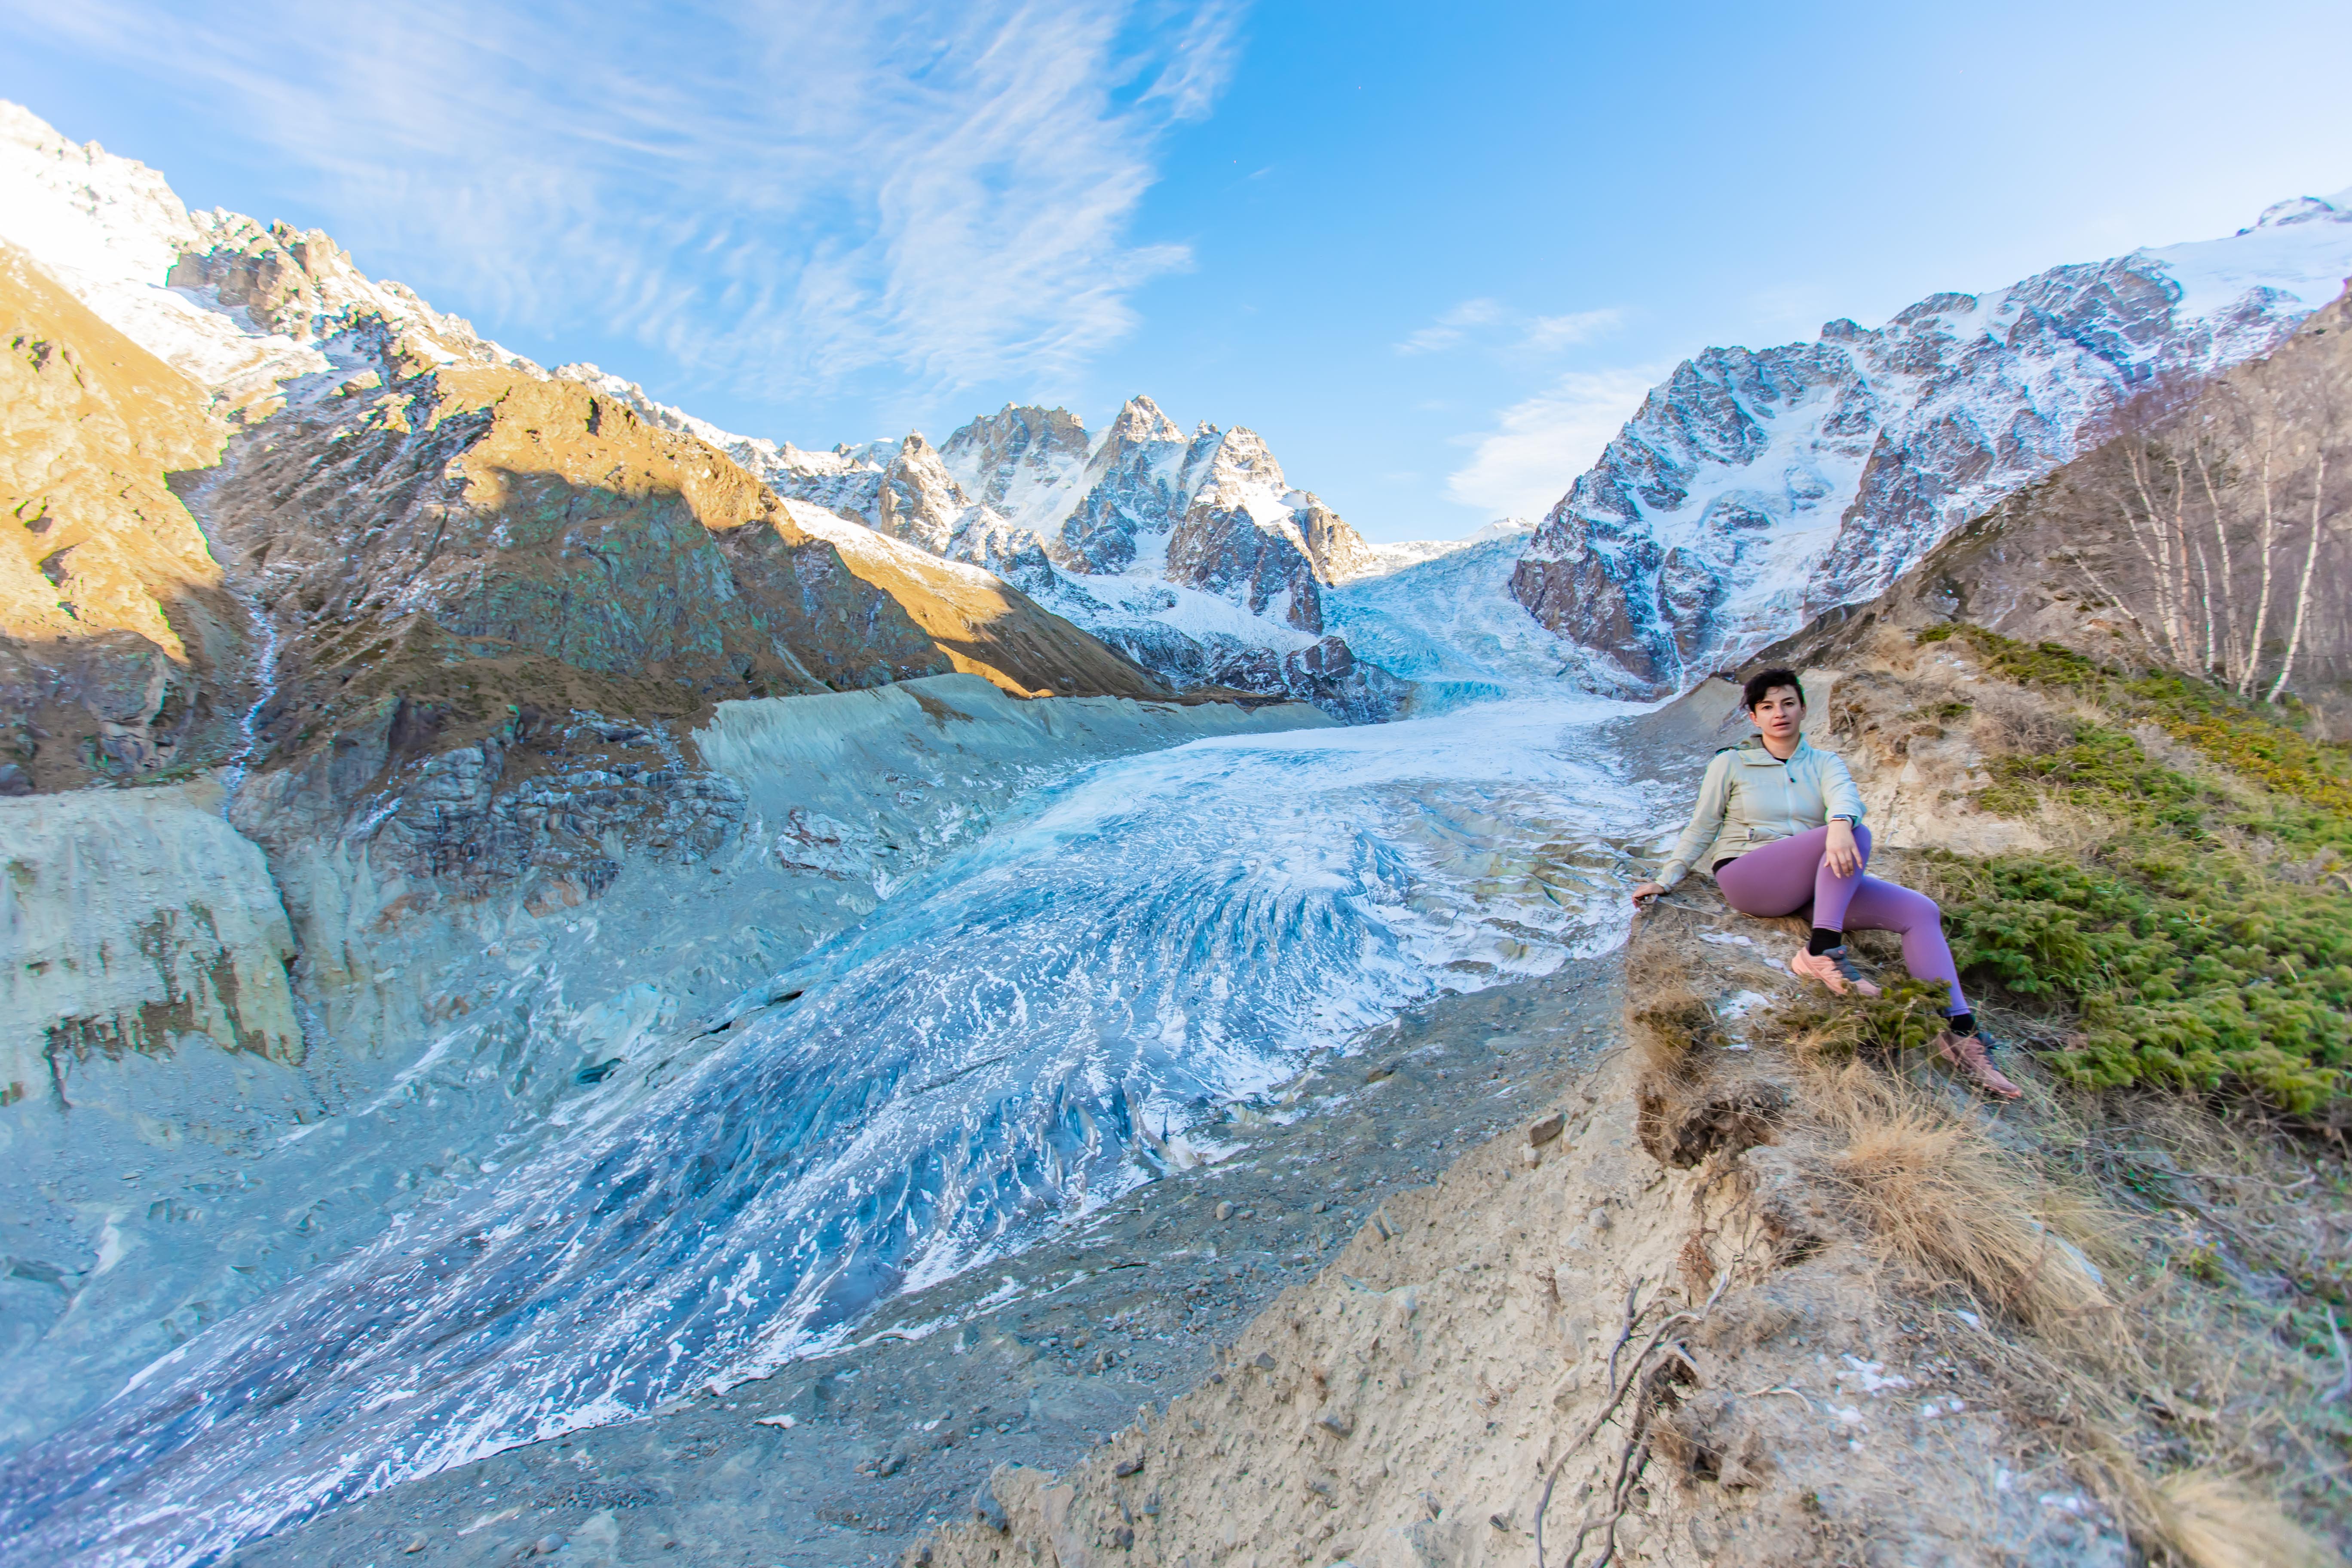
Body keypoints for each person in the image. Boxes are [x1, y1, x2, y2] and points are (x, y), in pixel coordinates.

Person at [1629, 668, 2020, 1099]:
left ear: (1803, 708)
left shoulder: (1825, 763)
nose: (1779, 714)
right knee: (1855, 833)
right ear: (1754, 718)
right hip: (1751, 877)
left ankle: (1961, 1032)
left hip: (1814, 887)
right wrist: (1667, 879)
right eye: (1767, 707)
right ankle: (1822, 951)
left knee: (1920, 912)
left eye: (1788, 703)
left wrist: (1837, 824)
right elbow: (1702, 827)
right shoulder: (1731, 763)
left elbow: (1847, 799)